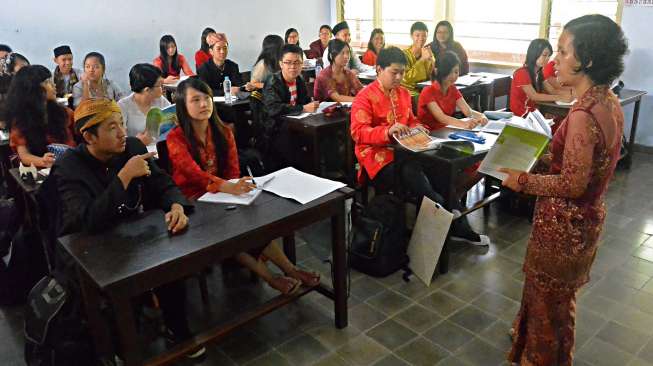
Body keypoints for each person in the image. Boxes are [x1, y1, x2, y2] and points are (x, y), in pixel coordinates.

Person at [499, 15, 628, 365]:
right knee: (556, 304)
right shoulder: (608, 101)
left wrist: (520, 180)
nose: (554, 59)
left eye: (562, 50)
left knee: (547, 308)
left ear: (586, 59)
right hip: (585, 222)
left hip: (563, 227)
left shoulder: (584, 114)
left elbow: (572, 183)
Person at [52, 98, 205, 361]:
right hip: (91, 249)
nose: (123, 133)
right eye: (112, 128)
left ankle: (176, 330)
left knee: (168, 264)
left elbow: (162, 183)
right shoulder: (70, 167)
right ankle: (121, 348)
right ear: (89, 136)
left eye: (122, 123)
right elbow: (88, 220)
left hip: (133, 236)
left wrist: (176, 205)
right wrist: (124, 176)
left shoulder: (131, 146)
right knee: (117, 301)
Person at [166, 78, 320, 294]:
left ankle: (291, 269)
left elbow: (232, 170)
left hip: (222, 195)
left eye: (207, 98)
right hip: (193, 201)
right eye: (195, 100)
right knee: (229, 232)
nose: (204, 104)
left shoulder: (223, 131)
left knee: (253, 224)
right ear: (182, 105)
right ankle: (271, 278)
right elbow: (194, 175)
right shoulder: (175, 138)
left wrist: (234, 186)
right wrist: (226, 187)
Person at [351, 47, 487, 245]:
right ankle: (445, 213)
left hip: (408, 150)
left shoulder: (404, 94)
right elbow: (358, 132)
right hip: (378, 155)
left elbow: (412, 120)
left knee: (439, 171)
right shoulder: (364, 97)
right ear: (379, 70)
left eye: (402, 72)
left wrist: (420, 128)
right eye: (394, 72)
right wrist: (387, 131)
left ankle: (452, 219)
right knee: (413, 173)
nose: (399, 77)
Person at [6, 65, 75, 168]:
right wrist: (43, 161)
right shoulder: (21, 121)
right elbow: (24, 155)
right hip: (45, 172)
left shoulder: (65, 113)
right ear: (33, 90)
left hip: (72, 164)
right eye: (47, 82)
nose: (53, 85)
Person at [262, 44, 318, 170]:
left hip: (295, 125)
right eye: (288, 62)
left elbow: (304, 101)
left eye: (297, 62)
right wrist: (303, 108)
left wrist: (311, 104)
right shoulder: (272, 81)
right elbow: (274, 109)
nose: (293, 67)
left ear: (302, 63)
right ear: (281, 64)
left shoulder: (299, 79)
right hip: (275, 130)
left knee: (319, 138)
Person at [417, 51, 487, 131]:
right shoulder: (428, 92)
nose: (453, 76)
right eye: (449, 72)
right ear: (437, 71)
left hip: (445, 131)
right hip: (428, 133)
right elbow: (441, 118)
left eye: (456, 72)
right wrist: (464, 124)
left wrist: (481, 116)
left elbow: (467, 111)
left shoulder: (452, 89)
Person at [509, 39, 572, 117]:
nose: (547, 59)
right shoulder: (521, 73)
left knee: (559, 120)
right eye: (544, 55)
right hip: (521, 114)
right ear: (534, 54)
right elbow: (534, 96)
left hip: (533, 111)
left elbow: (552, 90)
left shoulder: (539, 72)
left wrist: (571, 96)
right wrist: (560, 97)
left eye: (549, 56)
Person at [118, 63, 171, 145]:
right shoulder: (123, 106)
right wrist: (136, 142)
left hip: (160, 148)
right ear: (147, 90)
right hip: (138, 153)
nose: (163, 88)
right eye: (160, 85)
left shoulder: (161, 101)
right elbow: (120, 139)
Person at [246, 34, 284, 146]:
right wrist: (272, 85)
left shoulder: (279, 62)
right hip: (262, 102)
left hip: (275, 98)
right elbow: (252, 85)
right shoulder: (263, 64)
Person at [197, 33, 242, 97]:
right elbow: (204, 91)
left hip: (233, 103)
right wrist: (225, 91)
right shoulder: (204, 68)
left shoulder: (233, 66)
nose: (222, 51)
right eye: (218, 49)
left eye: (225, 48)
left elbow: (239, 85)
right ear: (211, 51)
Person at [401, 21, 435, 97]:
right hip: (407, 90)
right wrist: (422, 59)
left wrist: (431, 59)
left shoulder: (427, 52)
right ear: (411, 36)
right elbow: (406, 78)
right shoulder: (403, 55)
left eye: (424, 36)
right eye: (417, 35)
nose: (421, 38)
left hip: (425, 89)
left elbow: (433, 75)